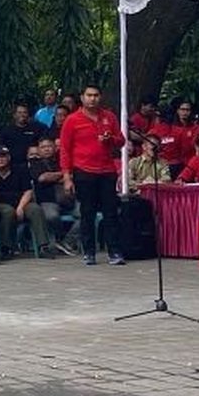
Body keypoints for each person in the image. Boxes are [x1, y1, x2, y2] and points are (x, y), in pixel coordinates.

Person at [59, 84, 126, 265]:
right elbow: (65, 150)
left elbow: (121, 140)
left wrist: (110, 139)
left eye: (96, 95)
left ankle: (115, 252)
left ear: (100, 97)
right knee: (87, 212)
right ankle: (89, 252)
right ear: (82, 98)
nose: (93, 99)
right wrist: (67, 177)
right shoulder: (72, 120)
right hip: (83, 170)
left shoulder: (109, 117)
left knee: (110, 213)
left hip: (107, 170)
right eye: (89, 95)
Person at [0, 146, 52, 259]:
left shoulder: (20, 170)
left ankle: (43, 246)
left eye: (3, 156)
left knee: (35, 209)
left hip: (21, 202)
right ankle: (6, 248)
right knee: (8, 211)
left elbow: (28, 191)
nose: (0, 159)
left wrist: (20, 207)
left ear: (9, 157)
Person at [29, 137, 79, 255]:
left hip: (69, 199)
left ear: (55, 148)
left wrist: (59, 176)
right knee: (51, 216)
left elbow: (74, 175)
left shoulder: (63, 161)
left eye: (49, 146)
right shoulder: (34, 163)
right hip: (48, 200)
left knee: (87, 214)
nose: (46, 149)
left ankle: (67, 241)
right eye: (43, 147)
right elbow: (42, 177)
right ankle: (60, 238)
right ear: (39, 150)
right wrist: (64, 174)